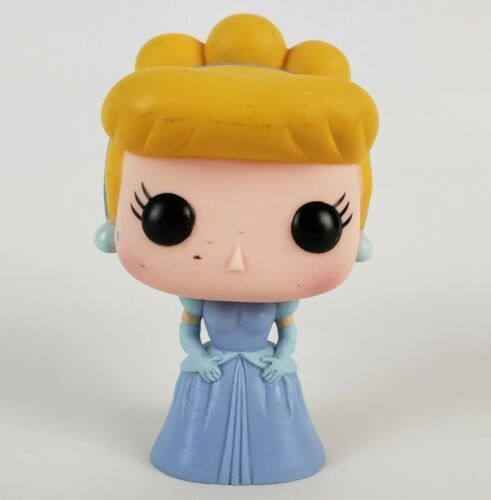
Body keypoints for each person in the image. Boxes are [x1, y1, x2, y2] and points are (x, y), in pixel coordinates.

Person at [95, 13, 378, 485]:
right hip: (213, 370)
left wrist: (282, 359)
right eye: (167, 216)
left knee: (278, 429)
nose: (236, 260)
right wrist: (200, 358)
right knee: (198, 427)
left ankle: (280, 455)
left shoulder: (280, 302)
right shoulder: (197, 300)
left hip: (265, 372)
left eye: (315, 224)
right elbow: (188, 333)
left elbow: (287, 334)